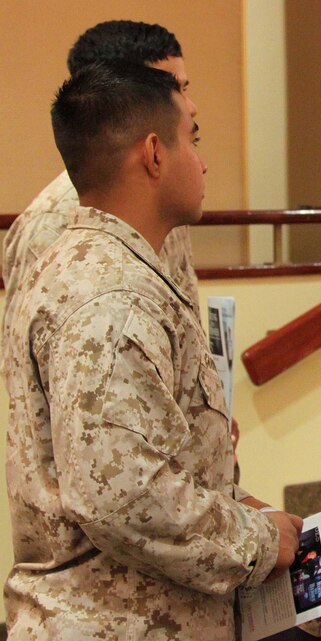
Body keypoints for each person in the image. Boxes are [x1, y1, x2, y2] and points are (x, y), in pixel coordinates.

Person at [2, 61, 302, 640]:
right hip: (118, 622)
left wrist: (238, 505)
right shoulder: (110, 296)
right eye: (192, 138)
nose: (204, 160)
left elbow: (140, 452)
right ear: (154, 155)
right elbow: (125, 497)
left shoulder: (92, 264)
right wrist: (260, 541)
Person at [2, 19, 244, 462]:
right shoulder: (54, 225)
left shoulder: (161, 200)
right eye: (171, 88)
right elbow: (75, 415)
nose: (189, 106)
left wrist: (205, 416)